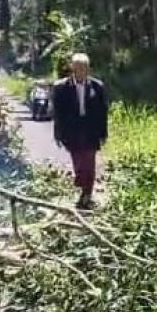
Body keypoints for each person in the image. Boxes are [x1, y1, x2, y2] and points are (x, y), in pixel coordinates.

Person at [51, 53, 109, 210]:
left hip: (91, 130)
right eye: (77, 68)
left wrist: (104, 133)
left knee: (89, 163)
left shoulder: (97, 86)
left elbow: (103, 112)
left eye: (84, 68)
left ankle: (87, 195)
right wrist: (58, 134)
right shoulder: (60, 87)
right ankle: (83, 188)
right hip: (72, 131)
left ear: (88, 69)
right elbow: (57, 114)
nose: (80, 71)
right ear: (72, 68)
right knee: (78, 163)